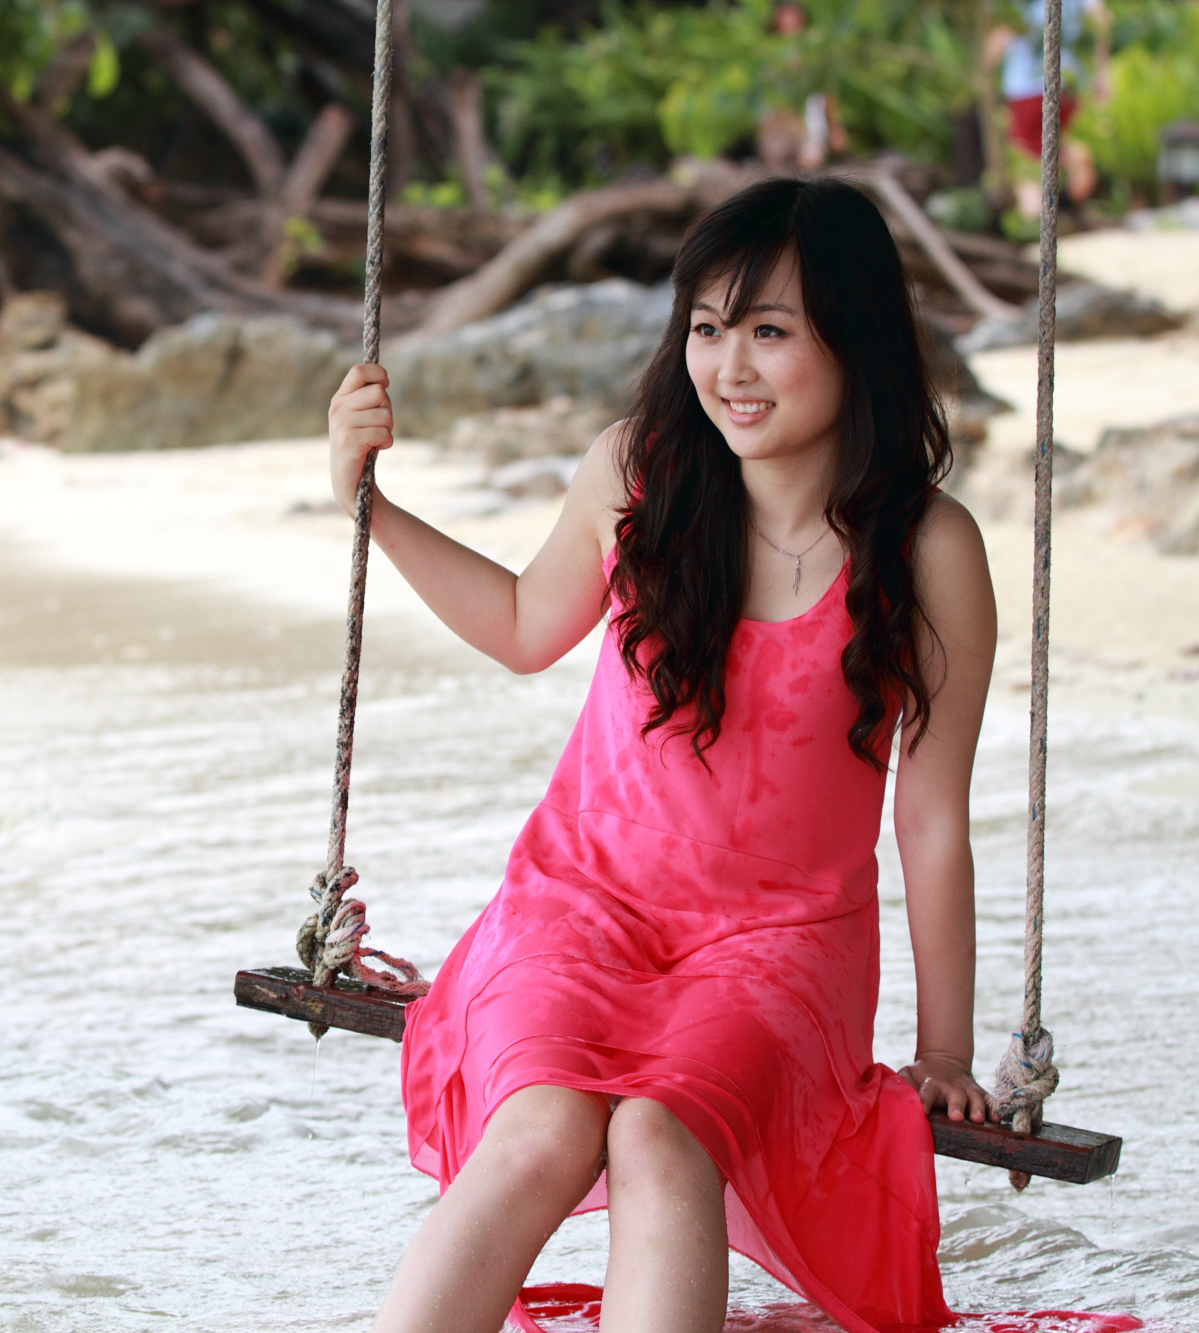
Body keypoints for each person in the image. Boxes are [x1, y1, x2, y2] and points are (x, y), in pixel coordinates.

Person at [326, 176, 996, 1333]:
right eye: (706, 328)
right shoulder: (636, 474)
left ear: (854, 340)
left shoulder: (925, 547)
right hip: (579, 903)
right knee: (538, 1125)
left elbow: (929, 816)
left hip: (778, 942)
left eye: (769, 332)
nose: (729, 367)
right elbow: (523, 626)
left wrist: (943, 1047)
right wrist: (368, 506)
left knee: (660, 1129)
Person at [987, 0, 1111, 216]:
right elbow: (1101, 19)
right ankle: (1073, 160)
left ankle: (1031, 220)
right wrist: (1101, 73)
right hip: (1068, 84)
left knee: (1025, 159)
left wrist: (984, 70)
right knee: (1049, 145)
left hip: (1026, 88)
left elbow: (1000, 36)